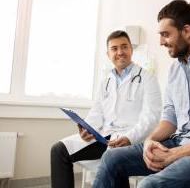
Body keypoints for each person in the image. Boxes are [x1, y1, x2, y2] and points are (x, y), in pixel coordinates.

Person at [92, 0, 190, 188]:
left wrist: (175, 154)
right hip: (179, 142)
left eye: (165, 35)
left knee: (148, 185)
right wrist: (151, 140)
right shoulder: (175, 70)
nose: (160, 42)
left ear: (186, 31)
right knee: (112, 158)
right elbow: (170, 119)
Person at [50, 30, 162, 188]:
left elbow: (152, 117)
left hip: (131, 138)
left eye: (124, 47)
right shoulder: (106, 81)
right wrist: (87, 129)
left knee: (114, 159)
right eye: (114, 48)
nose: (120, 52)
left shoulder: (147, 78)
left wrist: (129, 138)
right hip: (104, 136)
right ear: (108, 54)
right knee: (59, 150)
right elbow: (96, 113)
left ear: (131, 49)